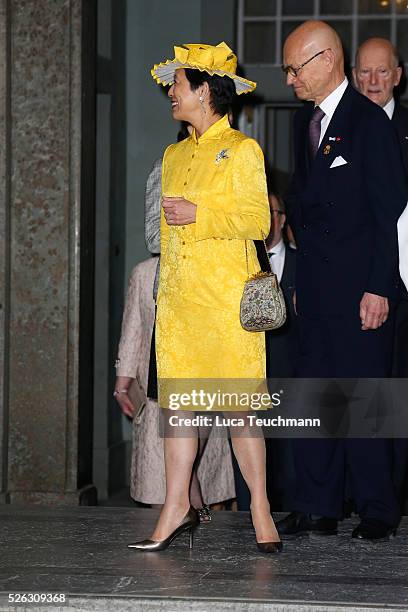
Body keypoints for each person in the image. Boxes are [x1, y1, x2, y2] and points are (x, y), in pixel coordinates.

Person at [127, 41, 281, 553]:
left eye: (178, 84)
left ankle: (259, 504)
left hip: (225, 304)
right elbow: (167, 239)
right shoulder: (172, 155)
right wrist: (161, 304)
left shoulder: (242, 151)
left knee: (240, 412)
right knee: (179, 413)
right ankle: (176, 506)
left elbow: (258, 221)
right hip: (180, 307)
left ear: (205, 91)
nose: (170, 92)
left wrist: (201, 214)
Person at [278, 21, 407, 541]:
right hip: (315, 291)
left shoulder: (370, 123)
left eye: (294, 68)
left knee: (364, 401)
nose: (289, 79)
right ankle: (317, 504)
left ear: (327, 59)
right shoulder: (300, 124)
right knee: (315, 399)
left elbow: (389, 214)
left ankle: (378, 508)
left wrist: (380, 287)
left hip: (361, 292)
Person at [114, 257, 235, 511]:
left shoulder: (215, 265)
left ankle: (191, 501)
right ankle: (178, 511)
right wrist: (123, 380)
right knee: (158, 478)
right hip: (154, 382)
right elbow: (133, 328)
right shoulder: (144, 273)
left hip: (203, 381)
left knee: (194, 457)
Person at [354, 37, 408, 510]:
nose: (373, 81)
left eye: (381, 72)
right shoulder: (342, 127)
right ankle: (379, 499)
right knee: (377, 399)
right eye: (364, 72)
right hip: (369, 288)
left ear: (398, 75)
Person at [232, 192, 298, 511]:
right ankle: (250, 513)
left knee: (291, 453)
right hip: (248, 374)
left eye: (270, 212)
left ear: (282, 219)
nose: (264, 219)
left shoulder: (306, 264)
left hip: (293, 377)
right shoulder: (237, 265)